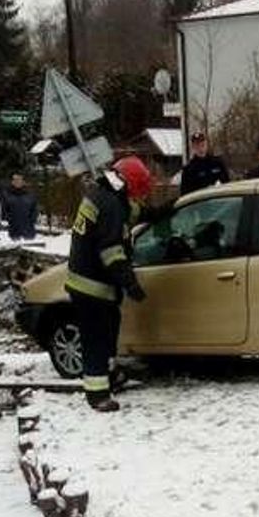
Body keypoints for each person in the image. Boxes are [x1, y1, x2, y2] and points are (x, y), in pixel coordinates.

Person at [65, 156, 153, 412]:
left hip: (88, 282)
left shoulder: (103, 193)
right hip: (92, 287)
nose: (138, 196)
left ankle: (110, 375)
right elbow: (111, 252)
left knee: (109, 328)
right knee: (96, 339)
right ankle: (97, 394)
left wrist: (156, 212)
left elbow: (131, 211)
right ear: (129, 183)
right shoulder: (111, 203)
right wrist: (130, 284)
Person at [3, 171, 39, 240]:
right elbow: (5, 210)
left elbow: (35, 209)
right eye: (15, 180)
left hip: (28, 229)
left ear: (23, 181)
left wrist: (31, 220)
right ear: (12, 182)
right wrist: (10, 219)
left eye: (19, 179)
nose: (17, 182)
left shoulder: (30, 195)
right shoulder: (7, 195)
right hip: (14, 229)